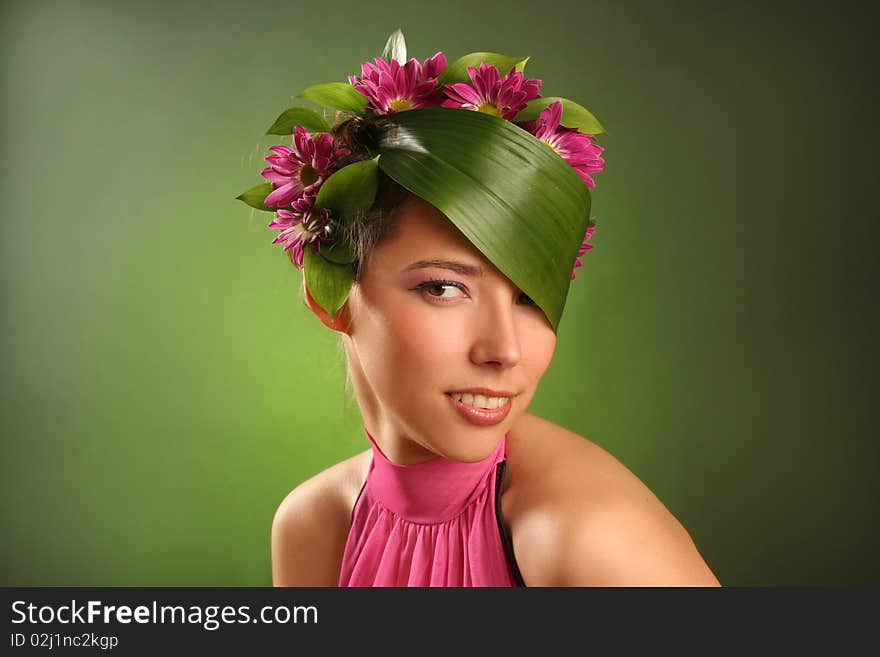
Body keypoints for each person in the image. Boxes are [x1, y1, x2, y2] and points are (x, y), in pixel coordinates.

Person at [241, 30, 720, 586]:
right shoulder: (313, 526)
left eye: (529, 295)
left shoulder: (584, 532)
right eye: (444, 288)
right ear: (332, 299)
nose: (506, 350)